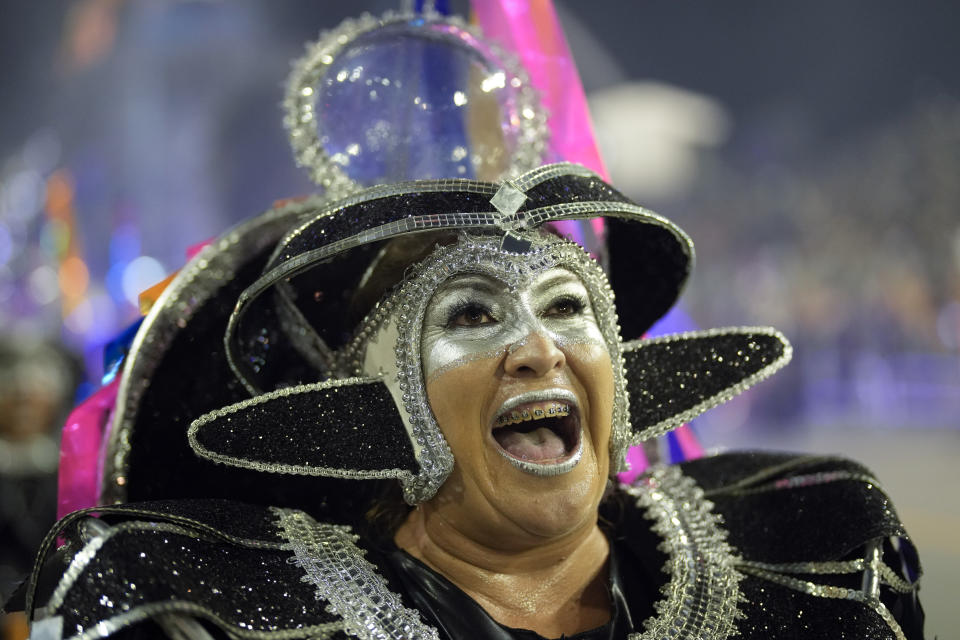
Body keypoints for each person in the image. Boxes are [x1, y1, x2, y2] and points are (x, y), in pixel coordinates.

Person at [11, 10, 923, 640]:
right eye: (473, 316)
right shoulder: (216, 603)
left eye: (568, 308)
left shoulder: (812, 552)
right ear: (378, 410)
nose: (538, 349)